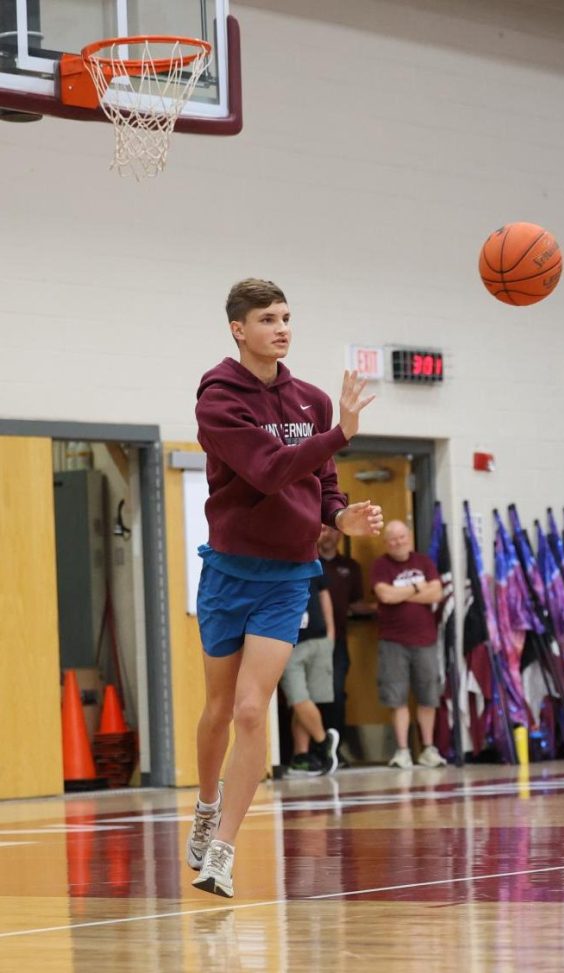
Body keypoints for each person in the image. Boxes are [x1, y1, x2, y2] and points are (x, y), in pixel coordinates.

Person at [188, 278, 382, 898]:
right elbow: (270, 471)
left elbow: (322, 480)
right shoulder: (219, 399)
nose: (282, 328)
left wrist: (339, 517)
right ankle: (205, 804)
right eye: (268, 318)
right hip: (228, 571)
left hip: (288, 577)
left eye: (287, 317)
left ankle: (222, 853)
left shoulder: (313, 401)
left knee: (252, 709)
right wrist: (341, 433)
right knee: (218, 710)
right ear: (238, 329)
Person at [372, 520, 446, 770]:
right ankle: (403, 751)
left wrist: (400, 593)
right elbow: (385, 595)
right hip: (393, 642)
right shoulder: (381, 566)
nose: (398, 542)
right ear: (386, 542)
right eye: (392, 538)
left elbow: (436, 593)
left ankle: (428, 749)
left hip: (425, 640)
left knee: (428, 696)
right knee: (397, 698)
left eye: (401, 536)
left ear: (410, 537)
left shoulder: (424, 562)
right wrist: (417, 587)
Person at [279, 574, 340, 776]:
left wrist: (330, 632)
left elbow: (324, 595)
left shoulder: (310, 558)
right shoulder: (267, 562)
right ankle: (324, 742)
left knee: (310, 699)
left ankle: (301, 756)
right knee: (298, 699)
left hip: (318, 638)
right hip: (288, 643)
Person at [317, 525, 366, 763]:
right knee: (308, 696)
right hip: (308, 639)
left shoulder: (351, 567)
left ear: (340, 534)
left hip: (338, 642)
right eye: (323, 529)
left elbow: (357, 604)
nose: (328, 534)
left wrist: (386, 607)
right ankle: (311, 752)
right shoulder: (308, 564)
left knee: (335, 694)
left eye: (333, 530)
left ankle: (335, 750)